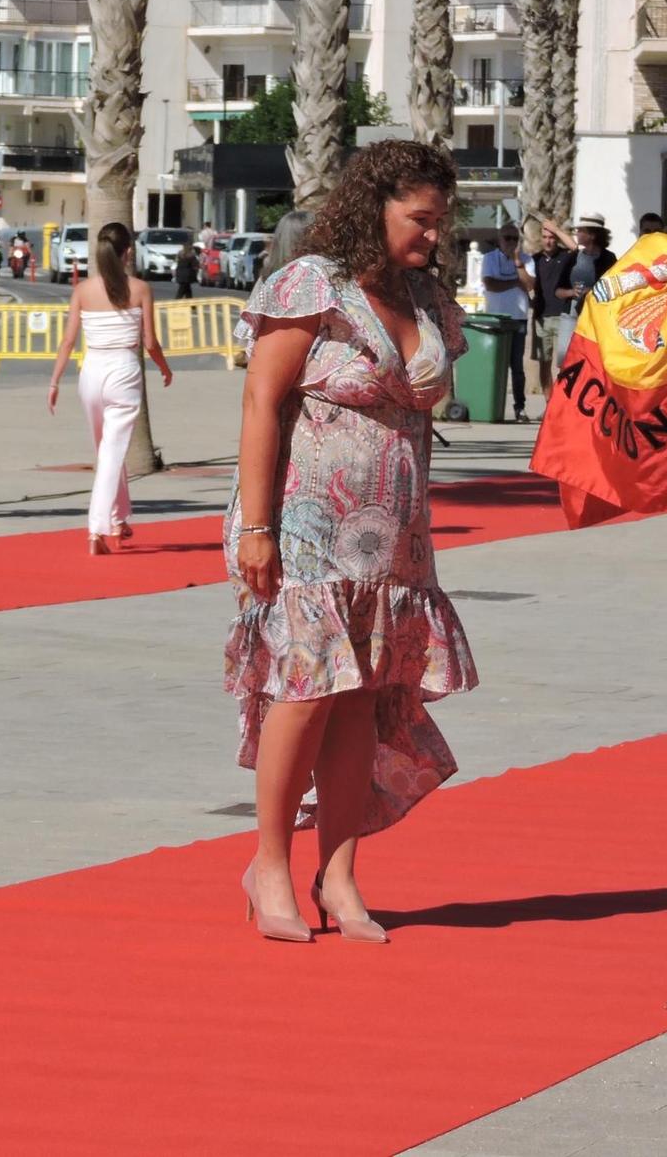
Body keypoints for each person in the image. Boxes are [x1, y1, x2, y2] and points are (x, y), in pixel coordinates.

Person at [224, 140, 475, 944]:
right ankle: (269, 864)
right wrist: (257, 527)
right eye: (420, 219)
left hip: (394, 535)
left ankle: (338, 873)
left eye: (440, 221)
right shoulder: (313, 284)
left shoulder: (427, 296)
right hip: (305, 525)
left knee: (361, 700)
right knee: (303, 693)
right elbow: (263, 402)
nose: (433, 236)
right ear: (376, 205)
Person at [46, 221, 172, 554]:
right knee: (111, 454)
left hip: (91, 372)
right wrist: (164, 367)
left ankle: (117, 519)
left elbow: (68, 340)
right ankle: (96, 529)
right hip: (123, 371)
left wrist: (55, 379)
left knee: (107, 450)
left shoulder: (83, 290)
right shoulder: (141, 288)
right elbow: (150, 341)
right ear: (128, 251)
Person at [479, 223, 534, 423]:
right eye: (507, 238)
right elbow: (490, 284)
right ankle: (489, 406)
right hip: (495, 318)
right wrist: (514, 283)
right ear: (499, 239)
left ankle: (520, 407)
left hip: (518, 317)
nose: (510, 242)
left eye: (514, 239)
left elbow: (529, 285)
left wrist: (518, 262)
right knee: (493, 365)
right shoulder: (489, 258)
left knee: (516, 366)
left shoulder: (526, 260)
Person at [551, 214, 616, 367]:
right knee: (566, 360)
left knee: (594, 362)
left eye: (580, 230)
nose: (577, 234)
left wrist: (592, 291)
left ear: (592, 235)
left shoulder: (608, 259)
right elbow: (557, 290)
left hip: (596, 317)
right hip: (571, 315)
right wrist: (571, 292)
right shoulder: (572, 258)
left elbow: (614, 287)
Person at [529, 224, 574, 396]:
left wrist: (556, 230)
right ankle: (549, 404)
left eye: (552, 237)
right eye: (545, 237)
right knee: (544, 362)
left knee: (565, 363)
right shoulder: (535, 259)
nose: (548, 241)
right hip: (542, 316)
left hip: (563, 316)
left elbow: (575, 247)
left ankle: (561, 403)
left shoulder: (565, 256)